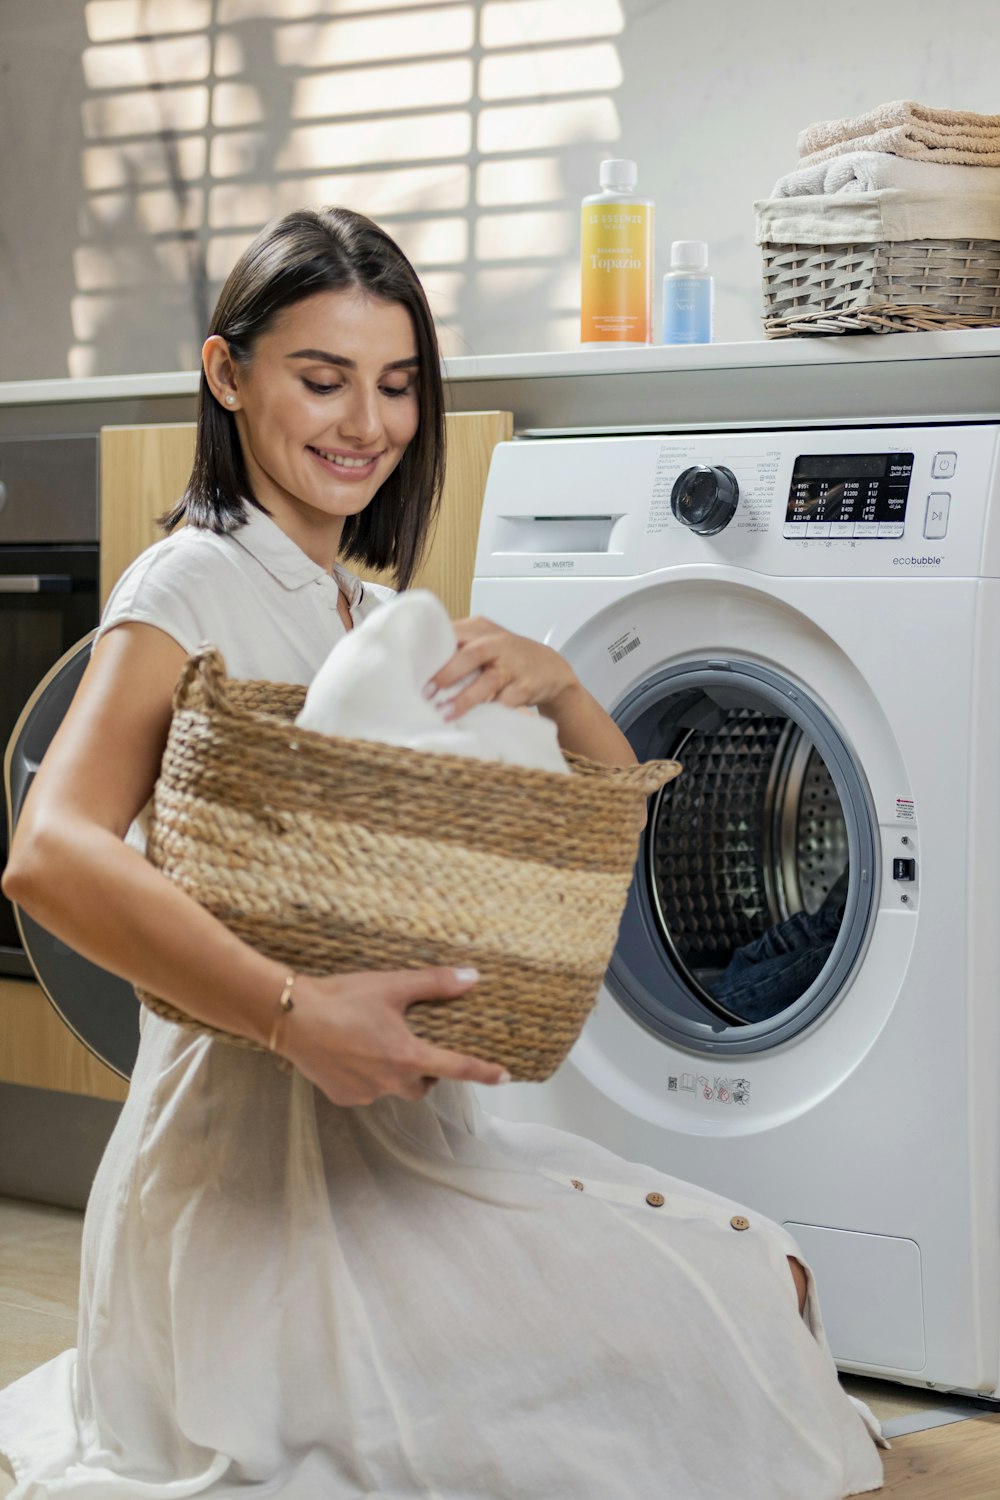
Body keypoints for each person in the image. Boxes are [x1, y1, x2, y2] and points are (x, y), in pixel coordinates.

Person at [0, 207, 882, 1499]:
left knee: (767, 1276)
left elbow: (571, 852)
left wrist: (566, 688)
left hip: (412, 1146)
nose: (367, 422)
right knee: (720, 1344)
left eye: (398, 384)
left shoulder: (372, 615)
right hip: (252, 1184)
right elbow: (50, 854)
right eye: (322, 378)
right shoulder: (187, 584)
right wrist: (298, 1015)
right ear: (225, 374)